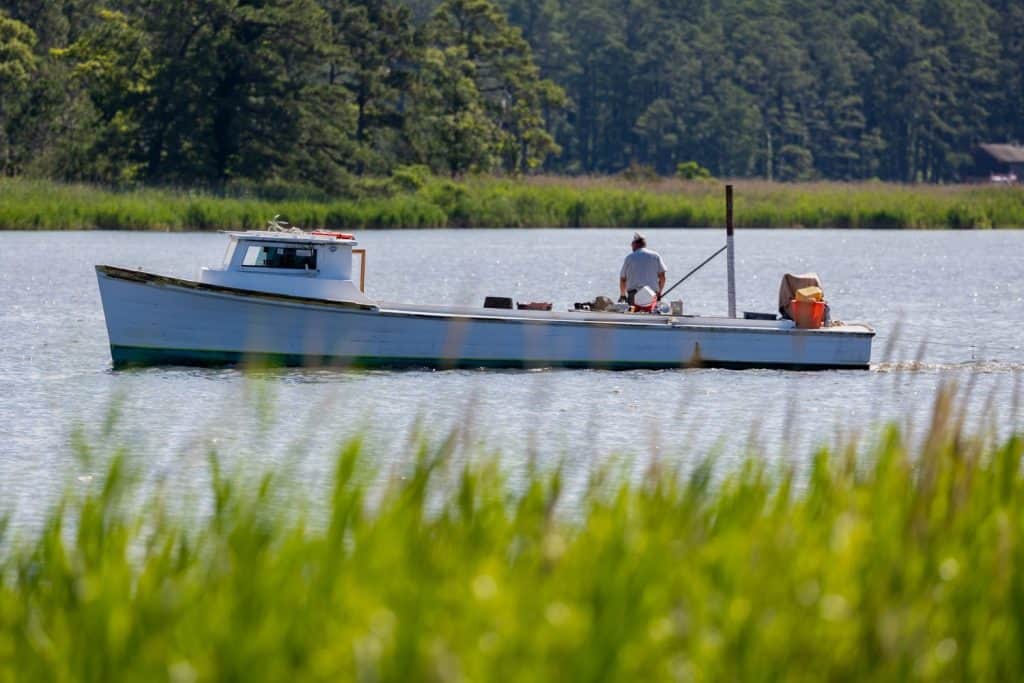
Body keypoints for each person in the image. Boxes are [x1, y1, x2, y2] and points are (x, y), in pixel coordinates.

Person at [619, 232, 667, 304]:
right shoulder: (656, 256)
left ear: (635, 244)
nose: (631, 246)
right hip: (652, 295)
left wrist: (623, 295)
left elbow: (623, 279)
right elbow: (662, 277)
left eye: (632, 244)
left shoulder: (629, 258)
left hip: (634, 296)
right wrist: (659, 292)